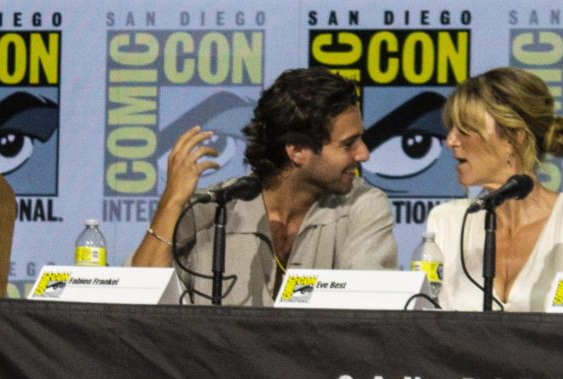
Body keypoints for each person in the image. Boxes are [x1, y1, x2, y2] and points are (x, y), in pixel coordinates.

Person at [131, 67, 398, 306]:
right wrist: (173, 201)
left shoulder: (363, 206)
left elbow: (366, 316)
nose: (364, 154)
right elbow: (137, 301)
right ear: (297, 151)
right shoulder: (211, 209)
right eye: (348, 144)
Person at [426, 67, 563, 312]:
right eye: (451, 128)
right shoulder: (447, 222)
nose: (450, 140)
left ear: (514, 138)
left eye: (465, 129)